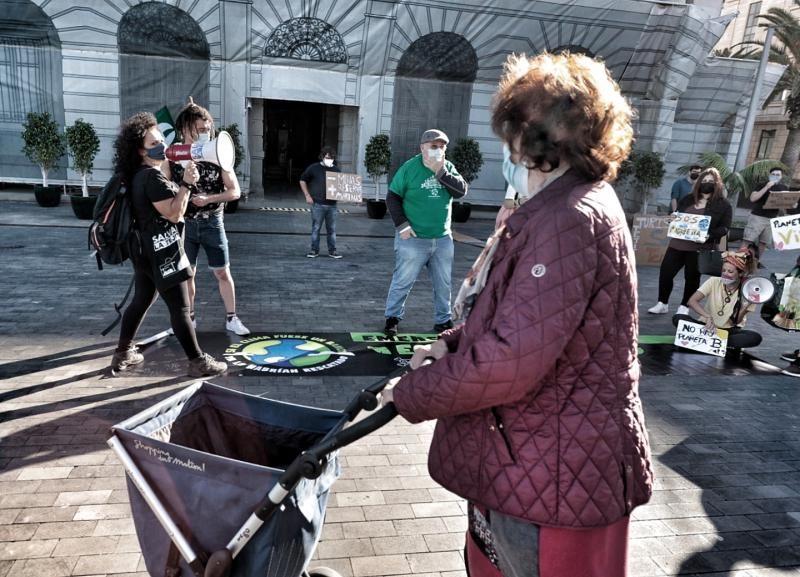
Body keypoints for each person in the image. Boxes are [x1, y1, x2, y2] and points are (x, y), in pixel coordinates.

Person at [382, 52, 653, 577]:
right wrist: (454, 343)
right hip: (538, 455)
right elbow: (523, 319)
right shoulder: (578, 203)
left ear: (536, 138)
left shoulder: (568, 219)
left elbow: (510, 359)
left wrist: (410, 393)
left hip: (549, 467)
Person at [110, 112, 227, 377]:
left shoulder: (137, 175)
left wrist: (183, 183)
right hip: (162, 251)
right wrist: (186, 183)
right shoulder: (150, 178)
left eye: (161, 139)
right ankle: (198, 362)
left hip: (143, 250)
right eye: (154, 143)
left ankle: (123, 351)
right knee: (181, 308)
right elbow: (174, 213)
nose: (161, 145)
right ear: (140, 150)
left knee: (141, 300)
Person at [166, 99, 250, 336]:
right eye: (200, 129)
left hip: (213, 222)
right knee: (187, 274)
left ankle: (232, 318)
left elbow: (235, 191)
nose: (205, 133)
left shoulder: (218, 154)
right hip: (184, 225)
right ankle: (189, 318)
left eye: (207, 129)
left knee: (223, 272)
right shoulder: (172, 157)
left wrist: (209, 199)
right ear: (184, 129)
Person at [383, 128, 468, 335]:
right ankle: (392, 317)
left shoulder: (447, 167)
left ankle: (443, 320)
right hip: (413, 238)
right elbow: (392, 197)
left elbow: (460, 191)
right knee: (403, 280)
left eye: (442, 147)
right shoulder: (409, 168)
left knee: (443, 283)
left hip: (442, 239)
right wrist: (402, 225)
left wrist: (441, 172)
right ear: (423, 148)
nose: (438, 150)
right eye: (434, 146)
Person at [648, 167, 732, 315]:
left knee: (692, 278)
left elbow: (724, 228)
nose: (707, 183)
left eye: (711, 181)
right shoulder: (688, 198)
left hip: (699, 248)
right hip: (677, 244)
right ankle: (662, 303)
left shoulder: (723, 204)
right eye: (704, 180)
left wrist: (710, 235)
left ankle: (684, 306)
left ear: (717, 183)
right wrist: (673, 219)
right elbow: (678, 215)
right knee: (666, 272)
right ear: (699, 182)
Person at [671, 249, 762, 355]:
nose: (725, 274)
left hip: (729, 331)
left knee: (754, 337)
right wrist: (707, 317)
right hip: (706, 326)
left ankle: (708, 341)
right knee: (678, 318)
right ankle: (721, 344)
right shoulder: (713, 281)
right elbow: (692, 301)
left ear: (741, 273)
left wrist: (747, 305)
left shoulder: (748, 291)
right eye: (723, 270)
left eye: (730, 272)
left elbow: (737, 322)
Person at [300, 146, 342, 258]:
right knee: (316, 228)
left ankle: (332, 251)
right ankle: (314, 250)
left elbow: (342, 186)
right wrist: (307, 195)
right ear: (322, 157)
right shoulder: (314, 168)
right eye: (328, 157)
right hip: (318, 204)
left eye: (332, 158)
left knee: (332, 229)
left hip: (332, 205)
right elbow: (302, 180)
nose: (330, 159)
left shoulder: (337, 170)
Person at [742, 166, 786, 258]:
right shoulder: (762, 185)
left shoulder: (783, 187)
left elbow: (784, 204)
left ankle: (756, 262)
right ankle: (739, 261)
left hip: (772, 218)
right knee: (748, 240)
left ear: (781, 176)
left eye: (778, 175)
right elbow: (753, 198)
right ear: (769, 175)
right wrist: (766, 187)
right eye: (773, 174)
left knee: (763, 243)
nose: (775, 176)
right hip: (758, 217)